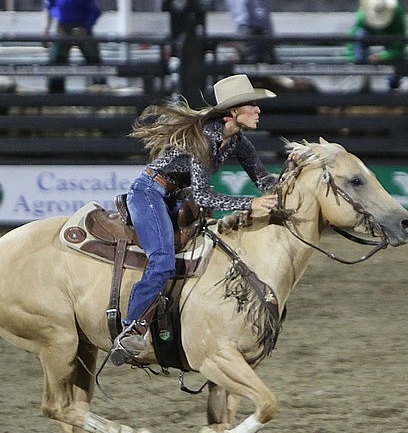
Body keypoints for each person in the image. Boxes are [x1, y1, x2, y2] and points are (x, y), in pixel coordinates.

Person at [112, 73, 281, 362]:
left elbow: (266, 182)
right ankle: (131, 329)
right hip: (149, 194)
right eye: (251, 105)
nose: (258, 110)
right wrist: (249, 204)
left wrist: (295, 184)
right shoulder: (202, 139)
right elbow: (203, 196)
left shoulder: (239, 142)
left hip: (173, 197)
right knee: (163, 259)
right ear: (232, 112)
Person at [343, 0, 407, 90]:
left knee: (396, 58)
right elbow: (353, 40)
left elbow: (400, 44)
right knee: (360, 37)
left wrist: (382, 57)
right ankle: (363, 75)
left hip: (391, 35)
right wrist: (354, 59)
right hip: (371, 34)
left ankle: (394, 86)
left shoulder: (397, 14)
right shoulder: (362, 16)